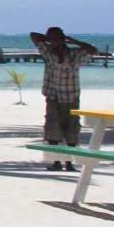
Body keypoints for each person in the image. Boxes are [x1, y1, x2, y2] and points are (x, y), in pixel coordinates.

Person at [29, 26, 98, 171]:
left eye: (56, 38)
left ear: (63, 39)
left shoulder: (74, 53)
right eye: (51, 38)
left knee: (71, 130)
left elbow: (93, 50)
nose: (53, 42)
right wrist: (50, 39)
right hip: (53, 95)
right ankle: (56, 162)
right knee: (52, 129)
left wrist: (73, 41)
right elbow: (33, 35)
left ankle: (69, 163)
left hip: (70, 95)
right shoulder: (47, 52)